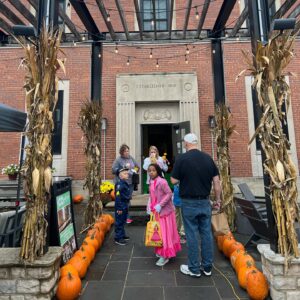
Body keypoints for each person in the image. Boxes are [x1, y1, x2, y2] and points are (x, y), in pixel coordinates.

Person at [171, 133, 221, 278]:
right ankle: (207, 267)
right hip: (205, 202)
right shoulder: (208, 159)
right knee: (206, 234)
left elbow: (173, 180)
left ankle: (193, 268)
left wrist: (183, 178)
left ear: (186, 144)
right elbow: (217, 183)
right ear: (196, 143)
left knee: (191, 234)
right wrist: (217, 200)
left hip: (189, 202)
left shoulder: (182, 159)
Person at [148, 163, 181, 266]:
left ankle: (165, 256)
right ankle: (161, 251)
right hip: (156, 212)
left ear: (157, 171)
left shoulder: (162, 181)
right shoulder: (151, 181)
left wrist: (160, 205)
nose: (151, 172)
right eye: (149, 171)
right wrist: (151, 206)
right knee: (158, 233)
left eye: (153, 170)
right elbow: (152, 196)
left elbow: (169, 194)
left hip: (165, 212)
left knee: (164, 234)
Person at [112, 144, 140, 224]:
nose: (127, 152)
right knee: (121, 199)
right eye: (125, 151)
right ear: (122, 152)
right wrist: (123, 168)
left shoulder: (131, 158)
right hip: (120, 183)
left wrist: (134, 170)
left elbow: (137, 166)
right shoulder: (118, 160)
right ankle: (121, 216)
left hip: (130, 183)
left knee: (127, 199)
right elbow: (113, 170)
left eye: (128, 151)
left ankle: (127, 217)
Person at [114, 167, 131, 245]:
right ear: (120, 176)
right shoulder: (119, 185)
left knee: (123, 220)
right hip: (121, 205)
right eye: (125, 173)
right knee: (119, 222)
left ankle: (122, 235)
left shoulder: (124, 182)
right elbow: (118, 197)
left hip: (124, 204)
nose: (127, 174)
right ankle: (118, 238)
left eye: (127, 173)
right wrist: (119, 208)